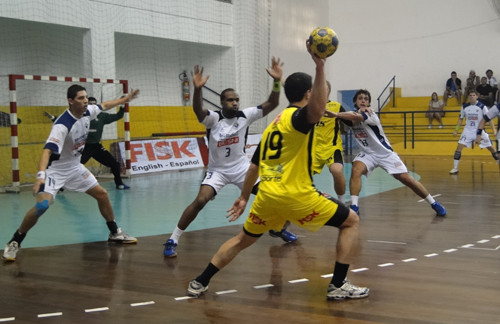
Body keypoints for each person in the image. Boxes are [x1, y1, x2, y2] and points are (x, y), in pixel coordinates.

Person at [186, 41, 370, 301]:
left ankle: (200, 281)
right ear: (308, 93)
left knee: (242, 239)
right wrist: (320, 64)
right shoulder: (298, 119)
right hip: (296, 196)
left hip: (267, 198)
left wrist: (243, 197)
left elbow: (253, 166)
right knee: (351, 221)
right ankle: (338, 284)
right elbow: (316, 108)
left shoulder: (275, 124)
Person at [163, 57, 297, 258]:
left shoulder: (246, 115)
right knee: (200, 201)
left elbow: (273, 103)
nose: (234, 103)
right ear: (222, 102)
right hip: (217, 171)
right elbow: (198, 111)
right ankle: (173, 239)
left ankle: (279, 228)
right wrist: (198, 89)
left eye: (236, 100)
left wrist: (277, 81)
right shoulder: (214, 118)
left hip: (242, 169)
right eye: (230, 100)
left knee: (275, 195)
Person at [2, 85, 140, 262]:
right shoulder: (62, 125)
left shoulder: (87, 112)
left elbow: (104, 105)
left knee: (102, 194)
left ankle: (115, 233)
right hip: (55, 171)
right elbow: (46, 152)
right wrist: (40, 176)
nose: (85, 102)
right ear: (70, 101)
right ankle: (15, 241)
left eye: (85, 98)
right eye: (81, 98)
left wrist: (124, 99)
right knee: (42, 206)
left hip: (75, 168)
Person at [332, 89, 446, 217]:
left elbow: (356, 117)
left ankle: (433, 202)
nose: (363, 100)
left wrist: (336, 114)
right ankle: (354, 207)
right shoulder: (351, 116)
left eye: (366, 98)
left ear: (369, 103)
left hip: (385, 154)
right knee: (356, 170)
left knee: (407, 179)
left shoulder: (370, 114)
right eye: (360, 98)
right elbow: (347, 125)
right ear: (355, 102)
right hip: (367, 154)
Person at [80, 96, 130, 190]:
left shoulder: (102, 116)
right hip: (84, 147)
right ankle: (60, 187)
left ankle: (119, 184)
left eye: (94, 104)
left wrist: (122, 105)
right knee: (74, 167)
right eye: (90, 104)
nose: (92, 106)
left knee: (115, 164)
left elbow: (118, 116)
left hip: (96, 147)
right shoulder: (81, 116)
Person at [312, 80, 347, 203]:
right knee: (299, 176)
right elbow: (293, 89)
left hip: (332, 148)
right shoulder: (309, 106)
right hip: (313, 150)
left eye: (324, 87)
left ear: (329, 90)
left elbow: (351, 119)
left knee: (337, 171)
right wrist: (280, 79)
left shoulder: (336, 106)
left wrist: (339, 115)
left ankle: (342, 202)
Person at [449, 89, 498, 174]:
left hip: (480, 130)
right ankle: (455, 168)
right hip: (468, 130)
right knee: (459, 147)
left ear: (477, 96)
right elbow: (460, 119)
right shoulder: (464, 107)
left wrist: (494, 130)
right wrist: (456, 130)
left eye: (473, 95)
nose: (472, 97)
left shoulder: (482, 107)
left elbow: (489, 119)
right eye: (470, 95)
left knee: (491, 149)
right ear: (468, 97)